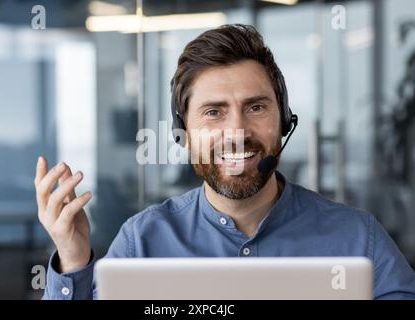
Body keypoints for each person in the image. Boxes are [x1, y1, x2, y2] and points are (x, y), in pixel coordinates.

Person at [35, 24, 415, 300]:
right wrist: (72, 257)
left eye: (255, 107)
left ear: (283, 121)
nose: (237, 131)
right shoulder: (142, 243)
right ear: (184, 132)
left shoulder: (356, 238)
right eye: (214, 112)